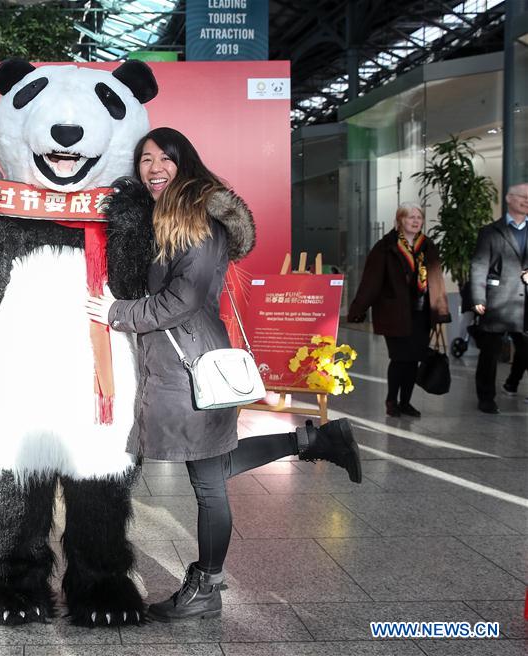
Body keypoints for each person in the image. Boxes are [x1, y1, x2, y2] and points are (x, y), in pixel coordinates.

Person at [85, 127, 362, 623]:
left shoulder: (195, 220)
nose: (154, 168)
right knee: (213, 464)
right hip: (177, 362)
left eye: (165, 159)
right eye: (145, 159)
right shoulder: (168, 216)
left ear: (184, 162)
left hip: (189, 367)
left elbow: (183, 299)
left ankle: (207, 587)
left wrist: (116, 312)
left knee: (209, 482)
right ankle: (314, 440)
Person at [347, 203, 451, 417]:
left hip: (422, 315)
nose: (415, 221)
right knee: (400, 358)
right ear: (399, 220)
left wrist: (440, 310)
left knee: (413, 359)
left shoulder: (427, 245)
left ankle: (406, 402)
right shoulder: (386, 246)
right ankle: (391, 400)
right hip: (394, 313)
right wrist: (359, 308)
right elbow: (371, 281)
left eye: (419, 217)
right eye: (410, 217)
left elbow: (436, 279)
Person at [469, 183, 528, 413]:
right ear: (509, 199)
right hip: (499, 301)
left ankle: (512, 382)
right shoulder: (491, 231)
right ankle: (486, 397)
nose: (526, 201)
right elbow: (479, 265)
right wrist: (477, 297)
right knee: (490, 352)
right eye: (522, 196)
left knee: (525, 348)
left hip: (525, 304)